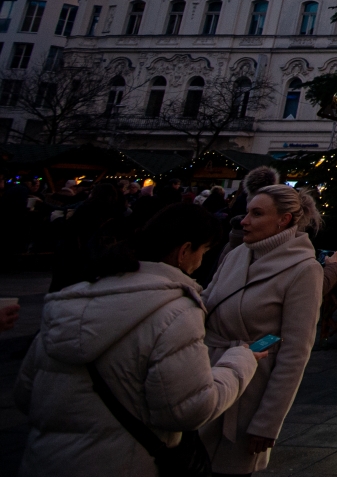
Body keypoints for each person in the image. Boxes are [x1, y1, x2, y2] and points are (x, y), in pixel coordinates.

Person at [15, 203, 261, 476]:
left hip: (44, 461)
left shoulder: (70, 300)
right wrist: (240, 361)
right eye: (202, 251)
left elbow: (25, 393)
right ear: (184, 251)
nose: (201, 261)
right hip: (124, 463)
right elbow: (189, 410)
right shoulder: (175, 312)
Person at [201, 184, 326, 474]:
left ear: (283, 220)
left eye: (257, 214)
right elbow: (207, 301)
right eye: (247, 212)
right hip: (205, 377)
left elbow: (295, 351)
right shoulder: (236, 254)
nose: (244, 221)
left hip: (249, 391)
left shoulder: (304, 269)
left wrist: (268, 422)